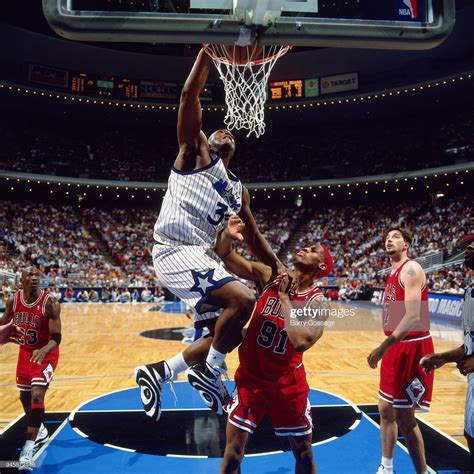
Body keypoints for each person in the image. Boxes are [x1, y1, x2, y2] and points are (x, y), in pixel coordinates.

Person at [135, 47, 283, 419]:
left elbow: (245, 243)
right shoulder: (194, 153)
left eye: (229, 131)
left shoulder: (238, 190)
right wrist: (208, 55)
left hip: (199, 255)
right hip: (173, 249)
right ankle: (211, 370)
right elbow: (189, 95)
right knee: (243, 301)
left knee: (224, 332)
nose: (224, 130)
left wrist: (276, 267)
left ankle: (160, 372)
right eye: (217, 130)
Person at [214, 215, 333, 474]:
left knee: (303, 454)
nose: (304, 248)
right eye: (306, 245)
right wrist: (228, 232)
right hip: (250, 380)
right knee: (232, 455)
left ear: (321, 266)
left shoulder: (317, 302)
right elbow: (226, 255)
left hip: (286, 384)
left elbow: (301, 341)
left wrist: (284, 300)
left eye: (313, 250)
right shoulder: (271, 275)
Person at [367, 227, 433, 474]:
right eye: (386, 237)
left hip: (412, 347)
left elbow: (414, 317)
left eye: (395, 237)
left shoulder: (412, 269)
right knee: (385, 409)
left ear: (406, 245)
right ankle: (387, 466)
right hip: (397, 345)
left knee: (405, 418)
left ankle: (420, 471)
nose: (389, 240)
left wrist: (384, 346)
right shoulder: (393, 271)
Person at [0, 266, 62, 470]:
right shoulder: (13, 301)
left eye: (37, 275)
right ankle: (41, 431)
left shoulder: (50, 303)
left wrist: (45, 349)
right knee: (24, 398)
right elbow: (3, 323)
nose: (35, 278)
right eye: (30, 275)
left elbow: (57, 337)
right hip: (24, 353)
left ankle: (28, 449)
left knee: (37, 395)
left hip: (45, 354)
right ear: (22, 280)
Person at [420, 243, 474, 470]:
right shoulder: (470, 292)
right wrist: (444, 357)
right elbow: (469, 344)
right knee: (470, 434)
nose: (469, 247)